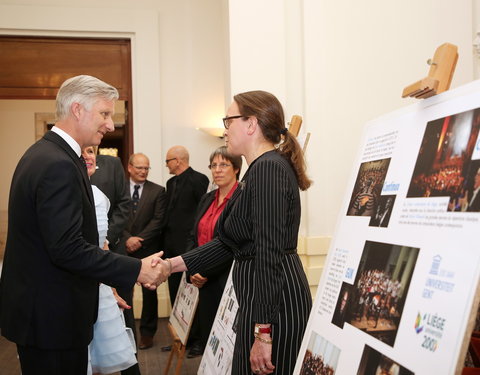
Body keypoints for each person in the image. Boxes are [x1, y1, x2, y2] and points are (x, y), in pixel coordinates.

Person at [0, 75, 167, 375]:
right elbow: (67, 249)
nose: (110, 125)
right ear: (77, 109)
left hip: (48, 314)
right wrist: (136, 269)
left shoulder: (48, 153)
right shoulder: (57, 164)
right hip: (52, 319)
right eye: (104, 114)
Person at [156, 90, 313, 374]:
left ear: (251, 124)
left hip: (274, 304)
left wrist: (264, 331)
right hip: (262, 299)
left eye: (229, 120)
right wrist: (171, 265)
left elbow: (269, 252)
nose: (225, 129)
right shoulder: (259, 169)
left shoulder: (268, 169)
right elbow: (228, 243)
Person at [82, 146, 137, 375]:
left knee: (106, 354)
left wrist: (111, 288)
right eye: (83, 152)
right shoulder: (66, 191)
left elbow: (102, 245)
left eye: (91, 151)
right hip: (79, 280)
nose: (89, 157)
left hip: (101, 283)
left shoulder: (99, 197)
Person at [186, 146, 242, 358]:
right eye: (214, 165)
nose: (217, 170)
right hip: (201, 278)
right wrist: (192, 267)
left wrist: (205, 271)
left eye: (224, 165)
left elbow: (233, 244)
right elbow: (193, 235)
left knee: (229, 341)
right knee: (210, 338)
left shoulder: (241, 199)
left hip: (227, 279)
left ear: (236, 169)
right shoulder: (207, 198)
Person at [121, 153, 167, 350]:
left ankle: (147, 334)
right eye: (139, 167)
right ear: (130, 167)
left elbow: (159, 220)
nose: (143, 171)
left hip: (147, 249)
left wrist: (139, 240)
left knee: (150, 294)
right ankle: (124, 333)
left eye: (146, 168)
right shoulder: (119, 189)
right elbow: (112, 216)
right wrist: (126, 239)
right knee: (124, 293)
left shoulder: (158, 191)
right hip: (122, 249)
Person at [162, 145, 209, 305]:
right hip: (170, 246)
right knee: (174, 290)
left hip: (189, 245)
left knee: (191, 292)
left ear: (177, 161)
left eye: (167, 161)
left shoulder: (199, 179)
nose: (166, 164)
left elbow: (202, 212)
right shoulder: (170, 182)